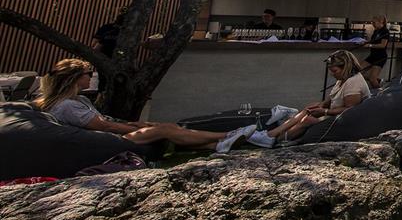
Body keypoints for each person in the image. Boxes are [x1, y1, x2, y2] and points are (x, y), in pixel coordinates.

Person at [36, 59, 249, 152]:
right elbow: (106, 127)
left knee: (165, 127)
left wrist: (141, 124)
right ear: (75, 78)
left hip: (106, 134)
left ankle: (216, 146)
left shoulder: (78, 100)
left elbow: (108, 122)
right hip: (104, 141)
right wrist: (138, 128)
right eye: (87, 75)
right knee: (164, 129)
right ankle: (227, 135)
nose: (90, 78)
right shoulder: (67, 107)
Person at [249, 51, 370, 147]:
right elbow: (329, 101)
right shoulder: (342, 80)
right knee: (309, 109)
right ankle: (271, 134)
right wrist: (320, 106)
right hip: (335, 116)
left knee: (308, 120)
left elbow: (351, 109)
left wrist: (324, 112)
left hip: (346, 122)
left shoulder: (353, 83)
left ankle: (276, 138)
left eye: (335, 71)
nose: (333, 74)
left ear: (346, 67)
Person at [362, 15, 391, 89]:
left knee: (372, 79)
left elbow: (383, 45)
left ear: (381, 22)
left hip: (380, 57)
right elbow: (374, 42)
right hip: (372, 56)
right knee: (357, 72)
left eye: (374, 22)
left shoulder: (385, 31)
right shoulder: (376, 31)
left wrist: (370, 45)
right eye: (372, 22)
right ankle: (378, 80)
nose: (372, 24)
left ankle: (379, 93)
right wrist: (365, 42)